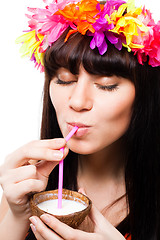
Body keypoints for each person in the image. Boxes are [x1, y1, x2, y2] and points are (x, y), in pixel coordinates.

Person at [0, 0, 160, 239]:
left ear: (144, 95)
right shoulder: (29, 183)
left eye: (106, 85)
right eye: (64, 80)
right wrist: (17, 216)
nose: (77, 101)